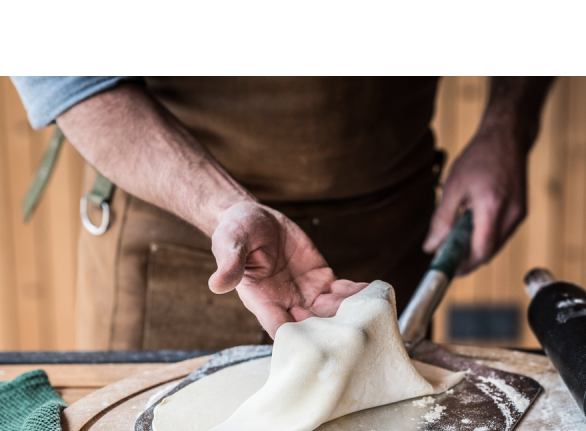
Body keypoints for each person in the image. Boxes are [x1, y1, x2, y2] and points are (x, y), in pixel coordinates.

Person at [12, 77, 554, 349]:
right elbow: (72, 80)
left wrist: (507, 125)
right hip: (174, 219)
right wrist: (226, 209)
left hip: (388, 220)